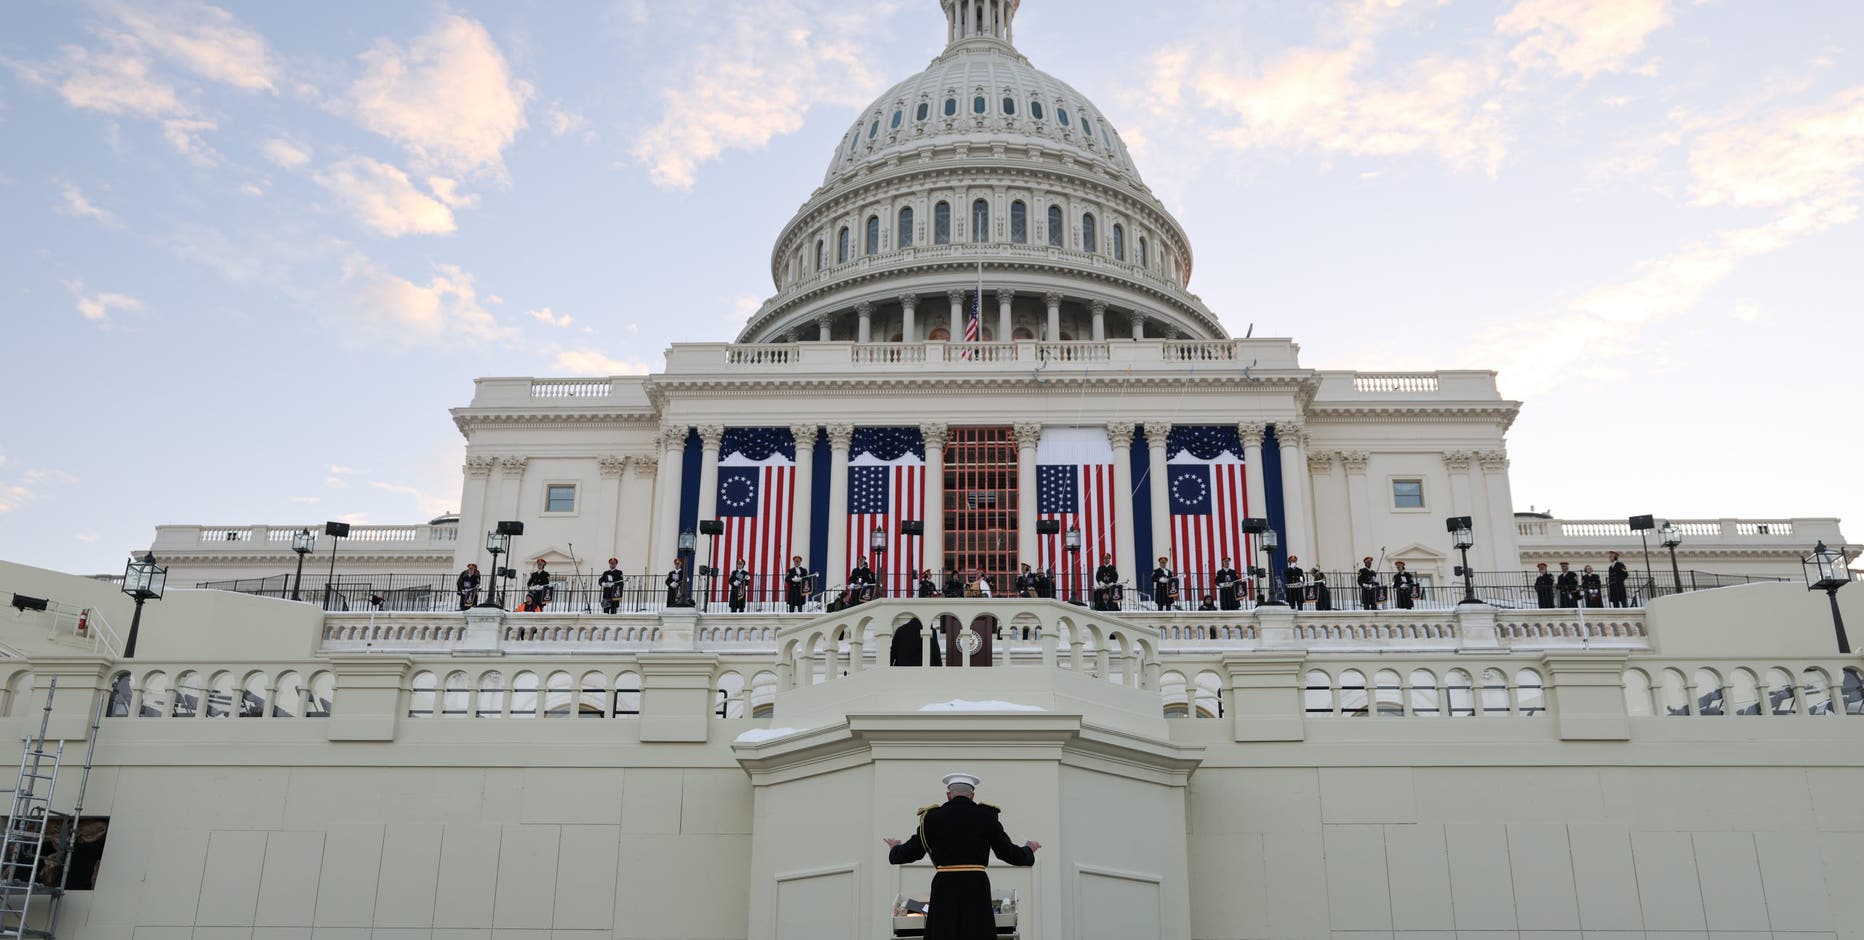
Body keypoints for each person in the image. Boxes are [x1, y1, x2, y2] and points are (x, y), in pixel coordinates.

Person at [885, 772, 1039, 940]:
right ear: (972, 796)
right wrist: (1028, 850)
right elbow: (1008, 853)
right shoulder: (987, 816)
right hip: (976, 886)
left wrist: (895, 849)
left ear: (948, 795)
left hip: (944, 887)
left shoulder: (931, 818)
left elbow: (911, 851)